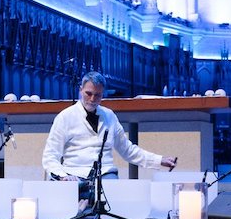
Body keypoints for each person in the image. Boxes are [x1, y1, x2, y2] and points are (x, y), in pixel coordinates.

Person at [42, 72, 177, 199]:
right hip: (74, 175)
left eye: (98, 95)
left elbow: (128, 150)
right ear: (80, 90)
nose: (92, 99)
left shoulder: (109, 116)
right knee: (73, 200)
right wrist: (62, 176)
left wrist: (159, 160)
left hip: (105, 175)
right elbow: (50, 155)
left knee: (115, 198)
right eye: (88, 93)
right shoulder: (65, 117)